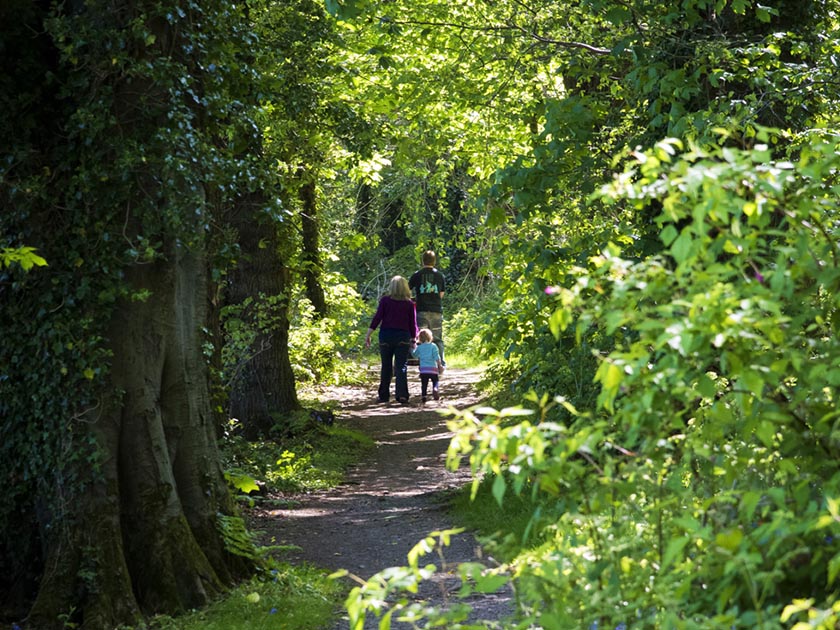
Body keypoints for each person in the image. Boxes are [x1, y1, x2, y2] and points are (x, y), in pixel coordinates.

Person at [365, 276, 418, 404]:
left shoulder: (385, 301)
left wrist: (368, 334)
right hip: (402, 337)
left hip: (386, 336)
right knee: (401, 366)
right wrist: (413, 338)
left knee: (386, 366)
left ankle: (383, 395)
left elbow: (377, 318)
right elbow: (413, 323)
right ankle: (402, 395)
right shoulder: (409, 304)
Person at [409, 250, 446, 365]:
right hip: (436, 311)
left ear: (422, 261)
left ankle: (423, 364)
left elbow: (408, 291)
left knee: (422, 338)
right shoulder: (440, 275)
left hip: (421, 310)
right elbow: (441, 294)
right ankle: (441, 364)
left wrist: (413, 299)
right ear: (434, 261)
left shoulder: (417, 275)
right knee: (437, 339)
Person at [411, 328, 443, 403]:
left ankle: (424, 396)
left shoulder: (420, 347)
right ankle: (435, 389)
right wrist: (440, 365)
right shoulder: (433, 346)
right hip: (433, 368)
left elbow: (415, 355)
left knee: (424, 383)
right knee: (435, 381)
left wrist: (413, 348)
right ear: (430, 337)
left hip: (424, 369)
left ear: (420, 338)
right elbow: (436, 357)